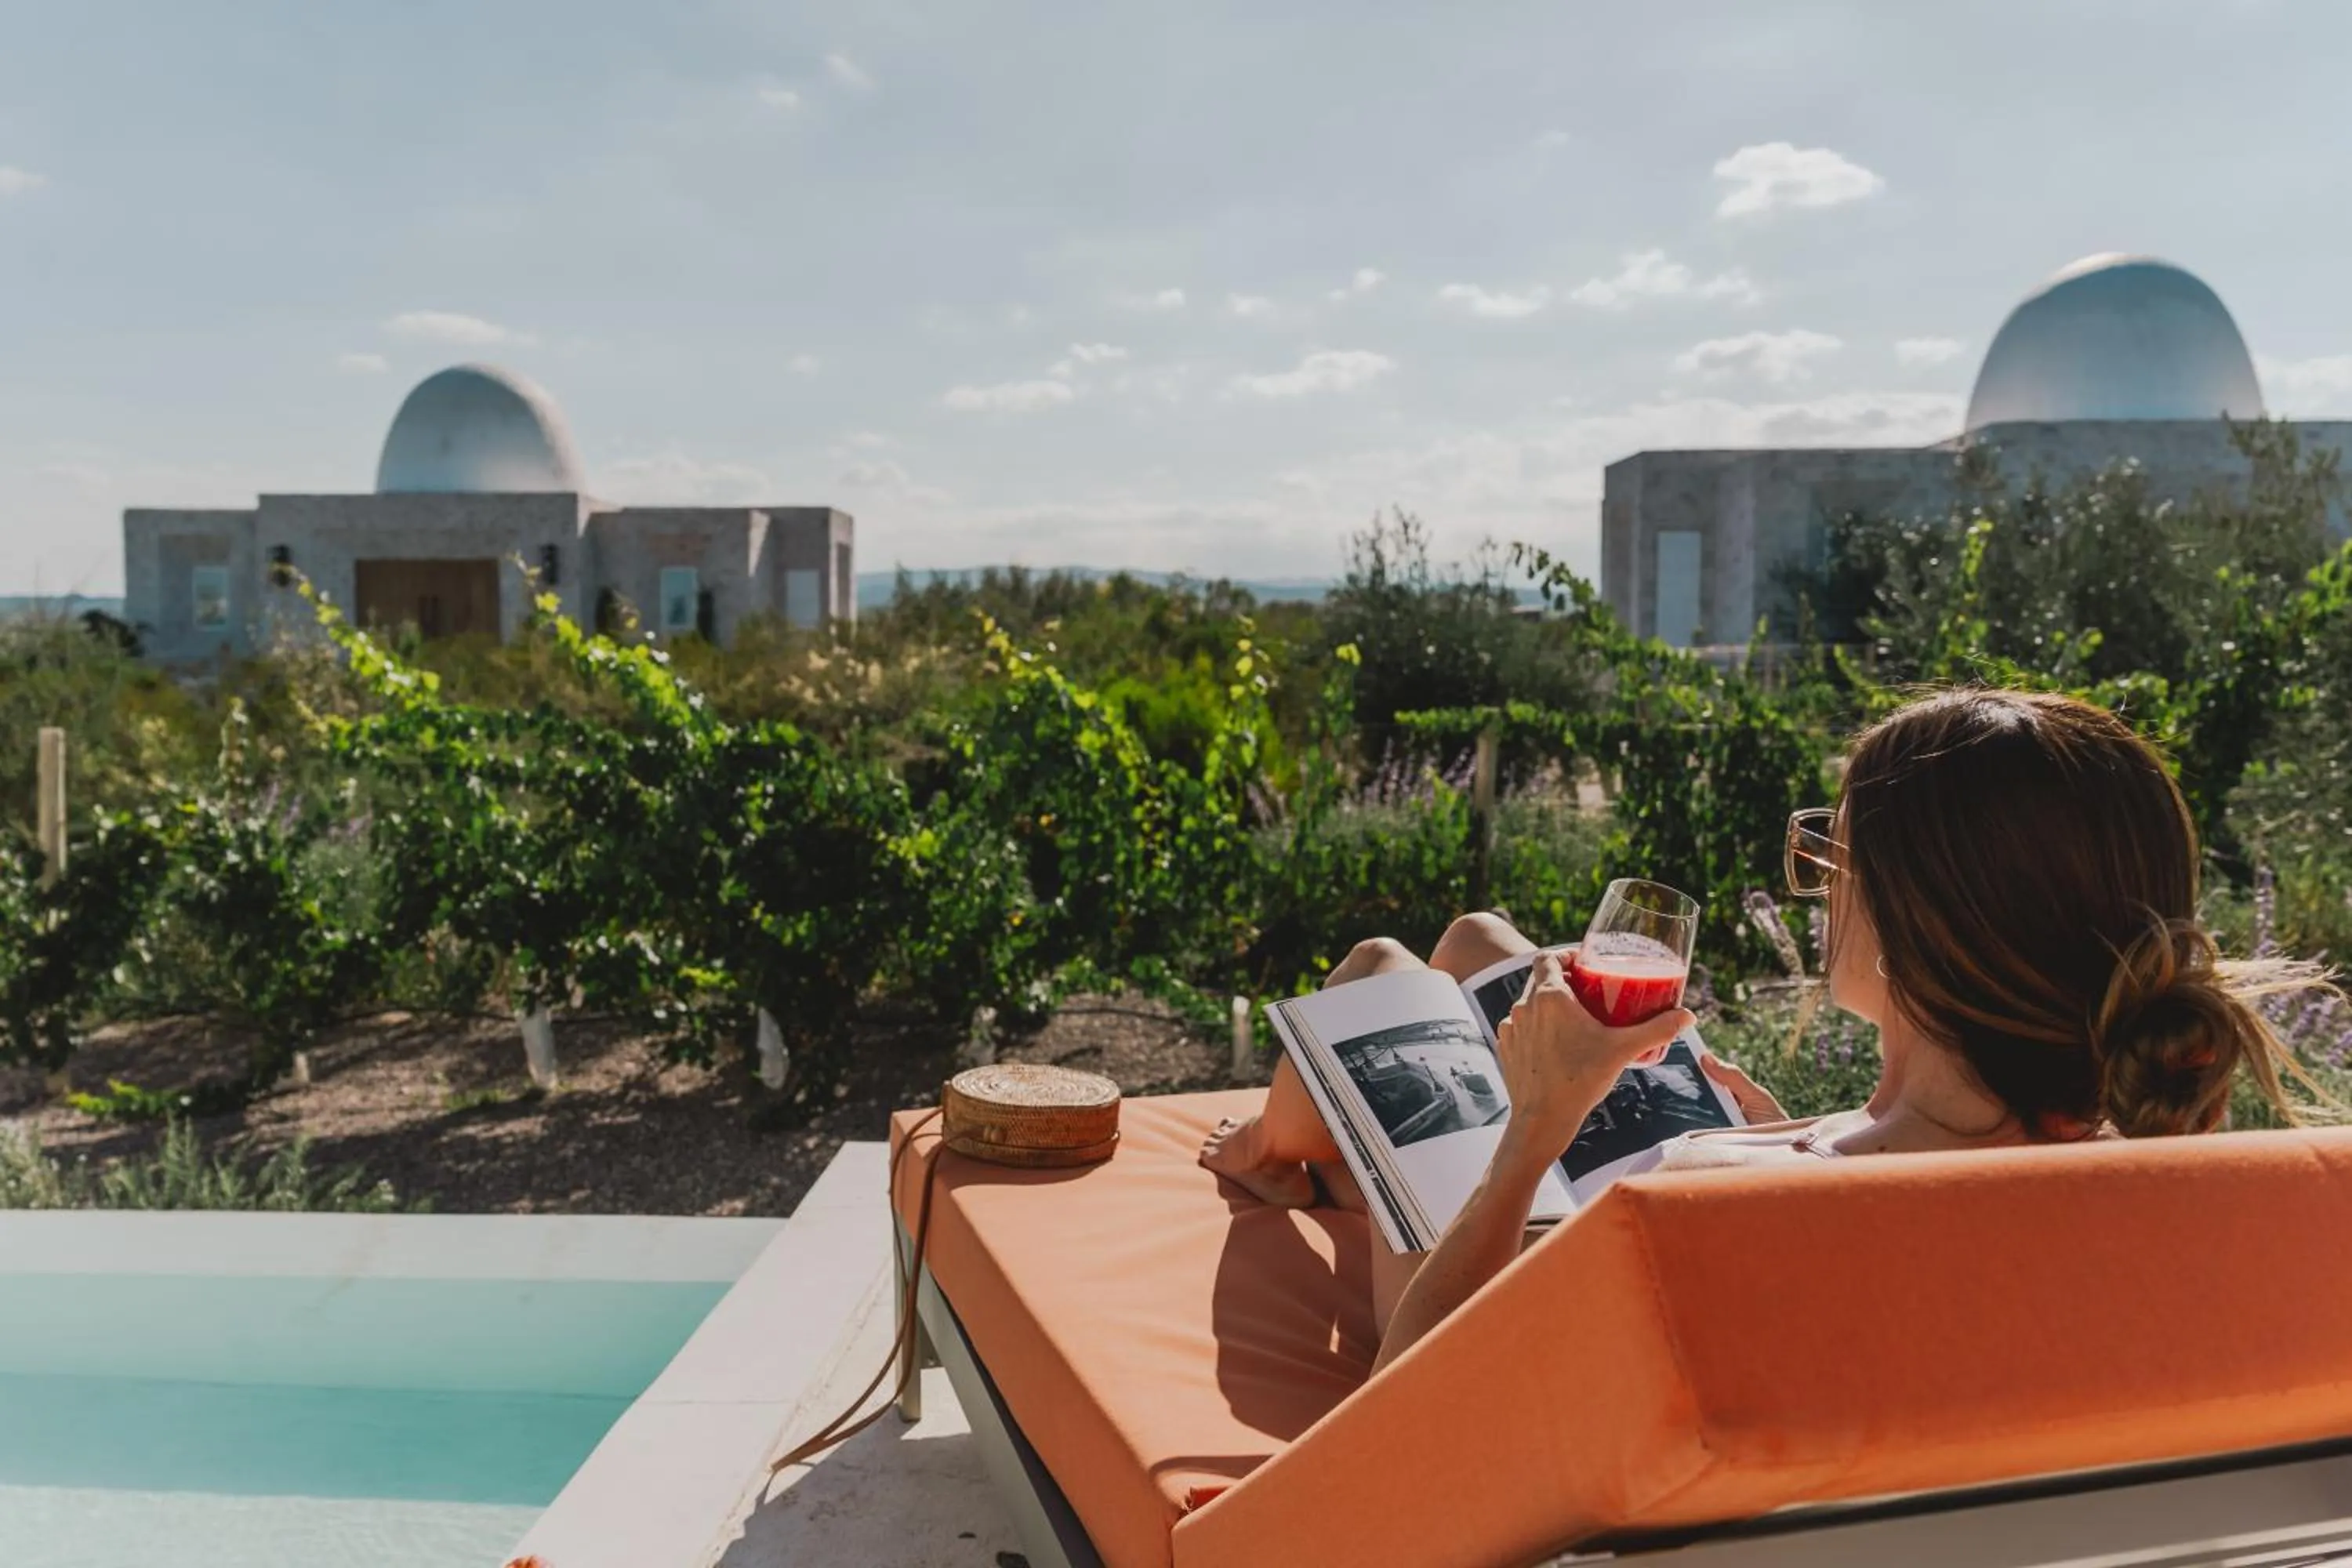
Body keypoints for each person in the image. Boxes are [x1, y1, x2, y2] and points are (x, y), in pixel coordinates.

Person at [1201, 688, 2336, 1370]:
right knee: (1486, 944)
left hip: (1532, 1250)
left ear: (1918, 930)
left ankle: (1267, 1156)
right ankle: (1320, 1161)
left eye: (1831, 857)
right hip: (1701, 1179)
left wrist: (1535, 1129)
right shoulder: (2130, 1166)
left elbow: (1419, 1387)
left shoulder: (1726, 1218)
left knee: (1388, 974)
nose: (1816, 886)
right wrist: (1801, 1132)